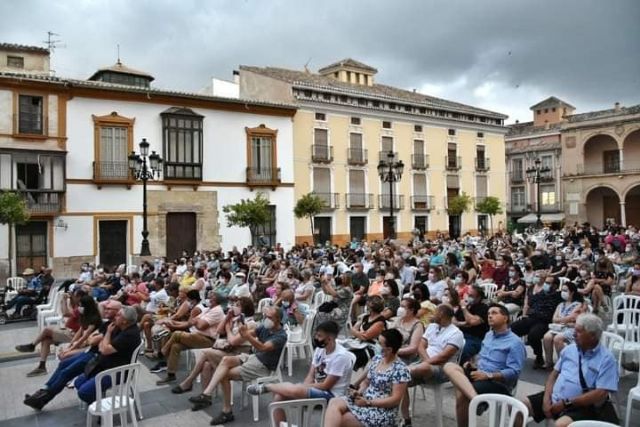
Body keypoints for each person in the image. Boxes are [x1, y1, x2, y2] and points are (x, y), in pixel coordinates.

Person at [191, 307, 287, 425]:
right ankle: (207, 393)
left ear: (278, 319)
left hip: (263, 365)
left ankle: (226, 411)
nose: (266, 319)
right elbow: (247, 335)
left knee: (224, 374)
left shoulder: (281, 336)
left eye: (269, 317)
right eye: (265, 316)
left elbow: (263, 348)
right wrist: (242, 331)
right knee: (226, 360)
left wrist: (247, 336)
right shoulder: (264, 326)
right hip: (253, 357)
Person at [247, 321, 354, 425]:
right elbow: (311, 374)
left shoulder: (340, 357)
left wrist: (303, 388)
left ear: (330, 338)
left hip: (332, 396)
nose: (316, 338)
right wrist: (304, 387)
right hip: (317, 388)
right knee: (279, 397)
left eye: (319, 336)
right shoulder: (320, 349)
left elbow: (326, 385)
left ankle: (267, 387)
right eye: (316, 335)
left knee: (297, 388)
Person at [22, 300, 122, 410]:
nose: (105, 310)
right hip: (89, 351)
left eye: (109, 309)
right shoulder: (107, 324)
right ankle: (42, 391)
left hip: (95, 357)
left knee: (66, 373)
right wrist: (91, 340)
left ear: (118, 312)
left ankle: (42, 399)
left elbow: (93, 341)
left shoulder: (115, 327)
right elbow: (90, 339)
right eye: (105, 308)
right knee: (63, 365)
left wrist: (96, 338)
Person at [522, 314, 620, 426]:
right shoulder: (569, 350)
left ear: (592, 336)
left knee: (560, 425)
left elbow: (600, 393)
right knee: (519, 407)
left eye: (579, 331)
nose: (574, 334)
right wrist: (546, 398)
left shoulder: (607, 359)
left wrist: (566, 403)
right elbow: (553, 375)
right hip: (556, 397)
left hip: (581, 406)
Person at [444, 304, 526, 427]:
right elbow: (482, 356)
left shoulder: (515, 342)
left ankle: (474, 401)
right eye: (488, 314)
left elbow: (514, 372)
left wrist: (488, 376)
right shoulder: (488, 335)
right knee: (449, 366)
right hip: (479, 373)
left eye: (494, 313)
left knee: (461, 394)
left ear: (505, 318)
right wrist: (473, 363)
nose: (490, 316)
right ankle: (477, 399)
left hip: (496, 382)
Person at [172, 297, 256, 401]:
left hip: (240, 353)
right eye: (234, 304)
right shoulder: (235, 319)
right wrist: (227, 318)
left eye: (237, 305)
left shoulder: (250, 323)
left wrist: (228, 330)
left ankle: (189, 381)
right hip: (228, 350)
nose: (234, 307)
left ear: (245, 308)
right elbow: (219, 331)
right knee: (206, 365)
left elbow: (233, 341)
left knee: (205, 352)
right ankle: (205, 396)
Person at [324, 329, 411, 427]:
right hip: (364, 401)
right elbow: (366, 382)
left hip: (381, 411)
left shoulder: (400, 369)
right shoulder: (377, 359)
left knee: (343, 419)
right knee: (334, 402)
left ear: (389, 349)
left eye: (380, 343)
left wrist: (369, 403)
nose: (377, 345)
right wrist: (359, 392)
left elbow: (395, 399)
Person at [401, 304, 464, 427]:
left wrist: (425, 362)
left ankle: (404, 371)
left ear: (442, 315)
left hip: (443, 369)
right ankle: (406, 420)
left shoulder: (456, 334)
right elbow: (420, 346)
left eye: (435, 312)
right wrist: (425, 360)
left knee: (418, 369)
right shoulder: (432, 326)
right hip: (422, 364)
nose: (432, 315)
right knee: (400, 381)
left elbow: (443, 357)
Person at [155, 291, 226, 384]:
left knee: (176, 334)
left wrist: (196, 321)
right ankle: (171, 374)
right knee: (175, 346)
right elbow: (191, 322)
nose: (208, 299)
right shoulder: (208, 309)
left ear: (216, 300)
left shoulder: (217, 311)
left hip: (207, 340)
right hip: (197, 336)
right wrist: (170, 322)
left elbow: (201, 326)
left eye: (211, 297)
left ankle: (163, 351)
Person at [15, 288, 87, 376]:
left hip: (75, 335)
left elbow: (65, 313)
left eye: (73, 295)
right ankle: (42, 366)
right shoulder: (77, 304)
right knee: (46, 340)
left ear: (79, 297)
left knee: (46, 330)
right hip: (70, 331)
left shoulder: (82, 308)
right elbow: (66, 312)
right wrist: (64, 301)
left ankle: (32, 345)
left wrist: (64, 300)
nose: (71, 296)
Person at [511, 273, 561, 368]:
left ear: (555, 285)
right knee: (513, 328)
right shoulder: (541, 293)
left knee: (533, 335)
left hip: (545, 321)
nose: (546, 284)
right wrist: (524, 315)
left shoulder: (558, 296)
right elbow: (530, 303)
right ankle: (516, 352)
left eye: (548, 283)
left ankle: (539, 357)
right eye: (546, 282)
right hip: (532, 317)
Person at [542, 282, 584, 368]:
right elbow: (554, 319)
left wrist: (561, 320)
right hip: (559, 328)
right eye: (562, 290)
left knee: (558, 338)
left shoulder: (578, 304)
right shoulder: (560, 304)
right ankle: (548, 362)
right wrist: (564, 320)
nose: (563, 292)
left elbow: (572, 318)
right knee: (547, 337)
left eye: (565, 290)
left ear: (572, 292)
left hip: (571, 328)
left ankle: (562, 363)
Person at [349, 295, 387, 370]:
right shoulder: (365, 317)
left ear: (371, 305)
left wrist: (355, 331)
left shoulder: (380, 321)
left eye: (368, 302)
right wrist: (356, 332)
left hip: (372, 346)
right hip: (359, 342)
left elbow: (365, 336)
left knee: (351, 356)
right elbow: (353, 331)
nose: (366, 304)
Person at [452, 285, 489, 364]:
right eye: (468, 294)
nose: (468, 297)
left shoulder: (484, 308)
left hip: (474, 338)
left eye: (471, 296)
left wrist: (464, 309)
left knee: (463, 351)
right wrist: (462, 323)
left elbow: (472, 322)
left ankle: (461, 370)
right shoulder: (463, 305)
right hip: (459, 334)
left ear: (478, 298)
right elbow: (453, 320)